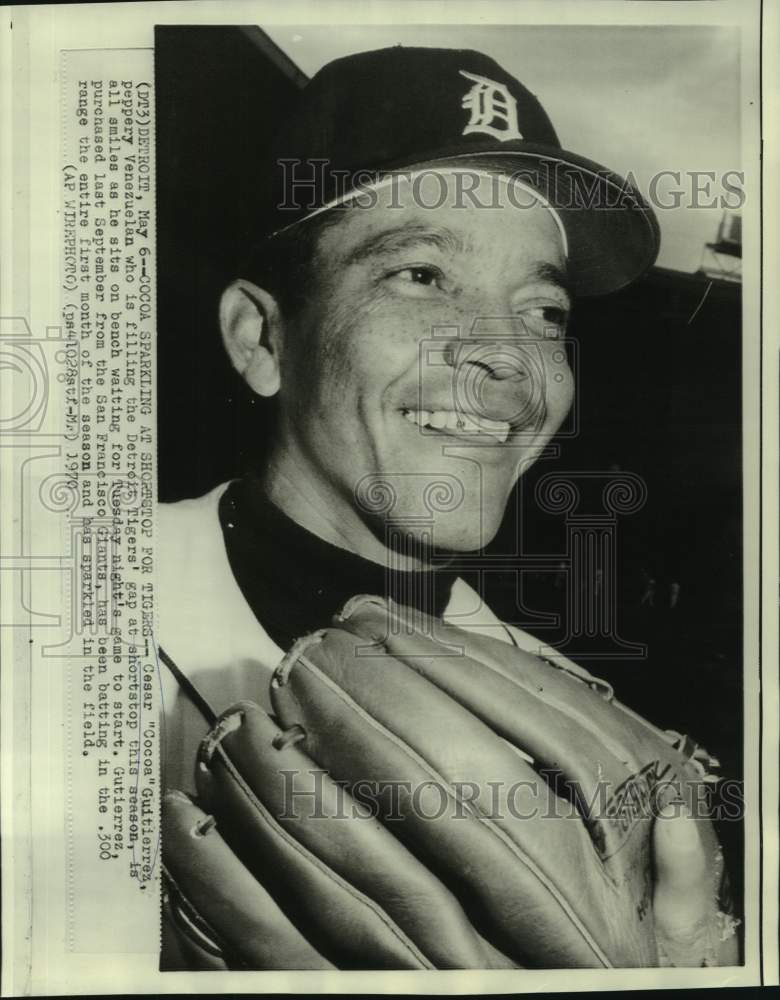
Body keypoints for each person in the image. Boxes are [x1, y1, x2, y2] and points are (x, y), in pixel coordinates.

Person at [158, 45, 738, 968]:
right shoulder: (57, 640)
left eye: (544, 311)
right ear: (263, 339)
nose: (508, 356)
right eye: (422, 275)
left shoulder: (583, 723)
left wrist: (683, 967)